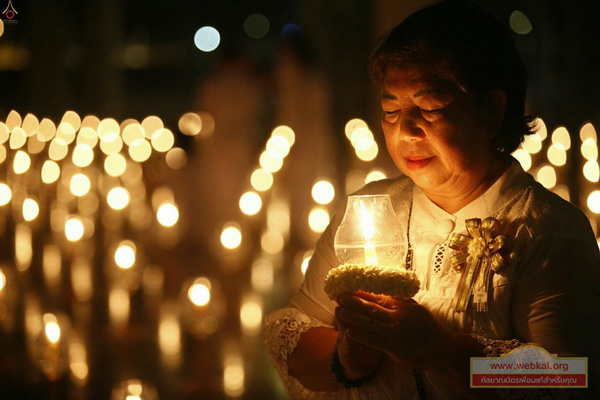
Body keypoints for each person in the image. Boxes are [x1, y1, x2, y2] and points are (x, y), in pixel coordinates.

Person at [263, 1, 600, 399]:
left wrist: (443, 352)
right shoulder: (369, 209)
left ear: (492, 110)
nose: (406, 130)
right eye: (391, 110)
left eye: (430, 108)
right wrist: (348, 358)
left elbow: (568, 377)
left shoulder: (547, 230)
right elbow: (295, 331)